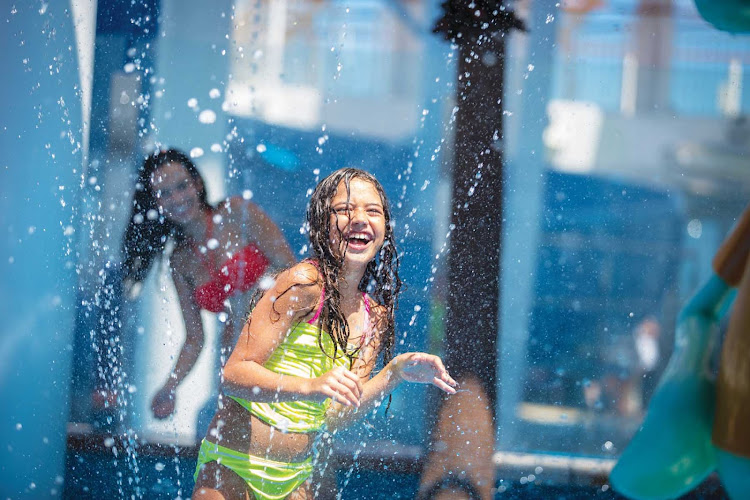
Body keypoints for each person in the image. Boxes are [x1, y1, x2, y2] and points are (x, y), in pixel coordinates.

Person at [192, 168, 458, 500]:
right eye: (345, 210)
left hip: (296, 476)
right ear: (322, 224)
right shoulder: (302, 282)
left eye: (372, 211)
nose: (359, 219)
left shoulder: (374, 318)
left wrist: (394, 373)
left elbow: (334, 417)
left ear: (384, 230)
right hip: (232, 466)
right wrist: (311, 386)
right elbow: (234, 374)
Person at [111, 148, 296, 420]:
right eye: (165, 193)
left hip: (283, 341)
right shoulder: (180, 262)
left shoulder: (236, 213)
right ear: (155, 203)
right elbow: (195, 339)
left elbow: (293, 269)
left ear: (197, 183)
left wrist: (258, 299)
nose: (177, 198)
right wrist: (170, 387)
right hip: (238, 357)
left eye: (182, 186)